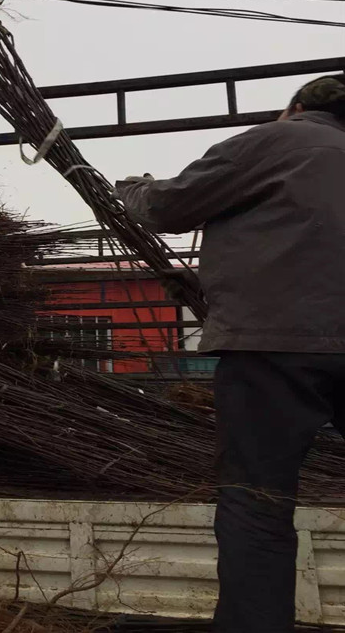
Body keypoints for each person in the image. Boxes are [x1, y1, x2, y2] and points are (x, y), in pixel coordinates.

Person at [114, 74, 345, 633]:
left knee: (257, 501)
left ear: (295, 107)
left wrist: (133, 187)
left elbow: (169, 208)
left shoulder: (278, 139)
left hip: (275, 344)